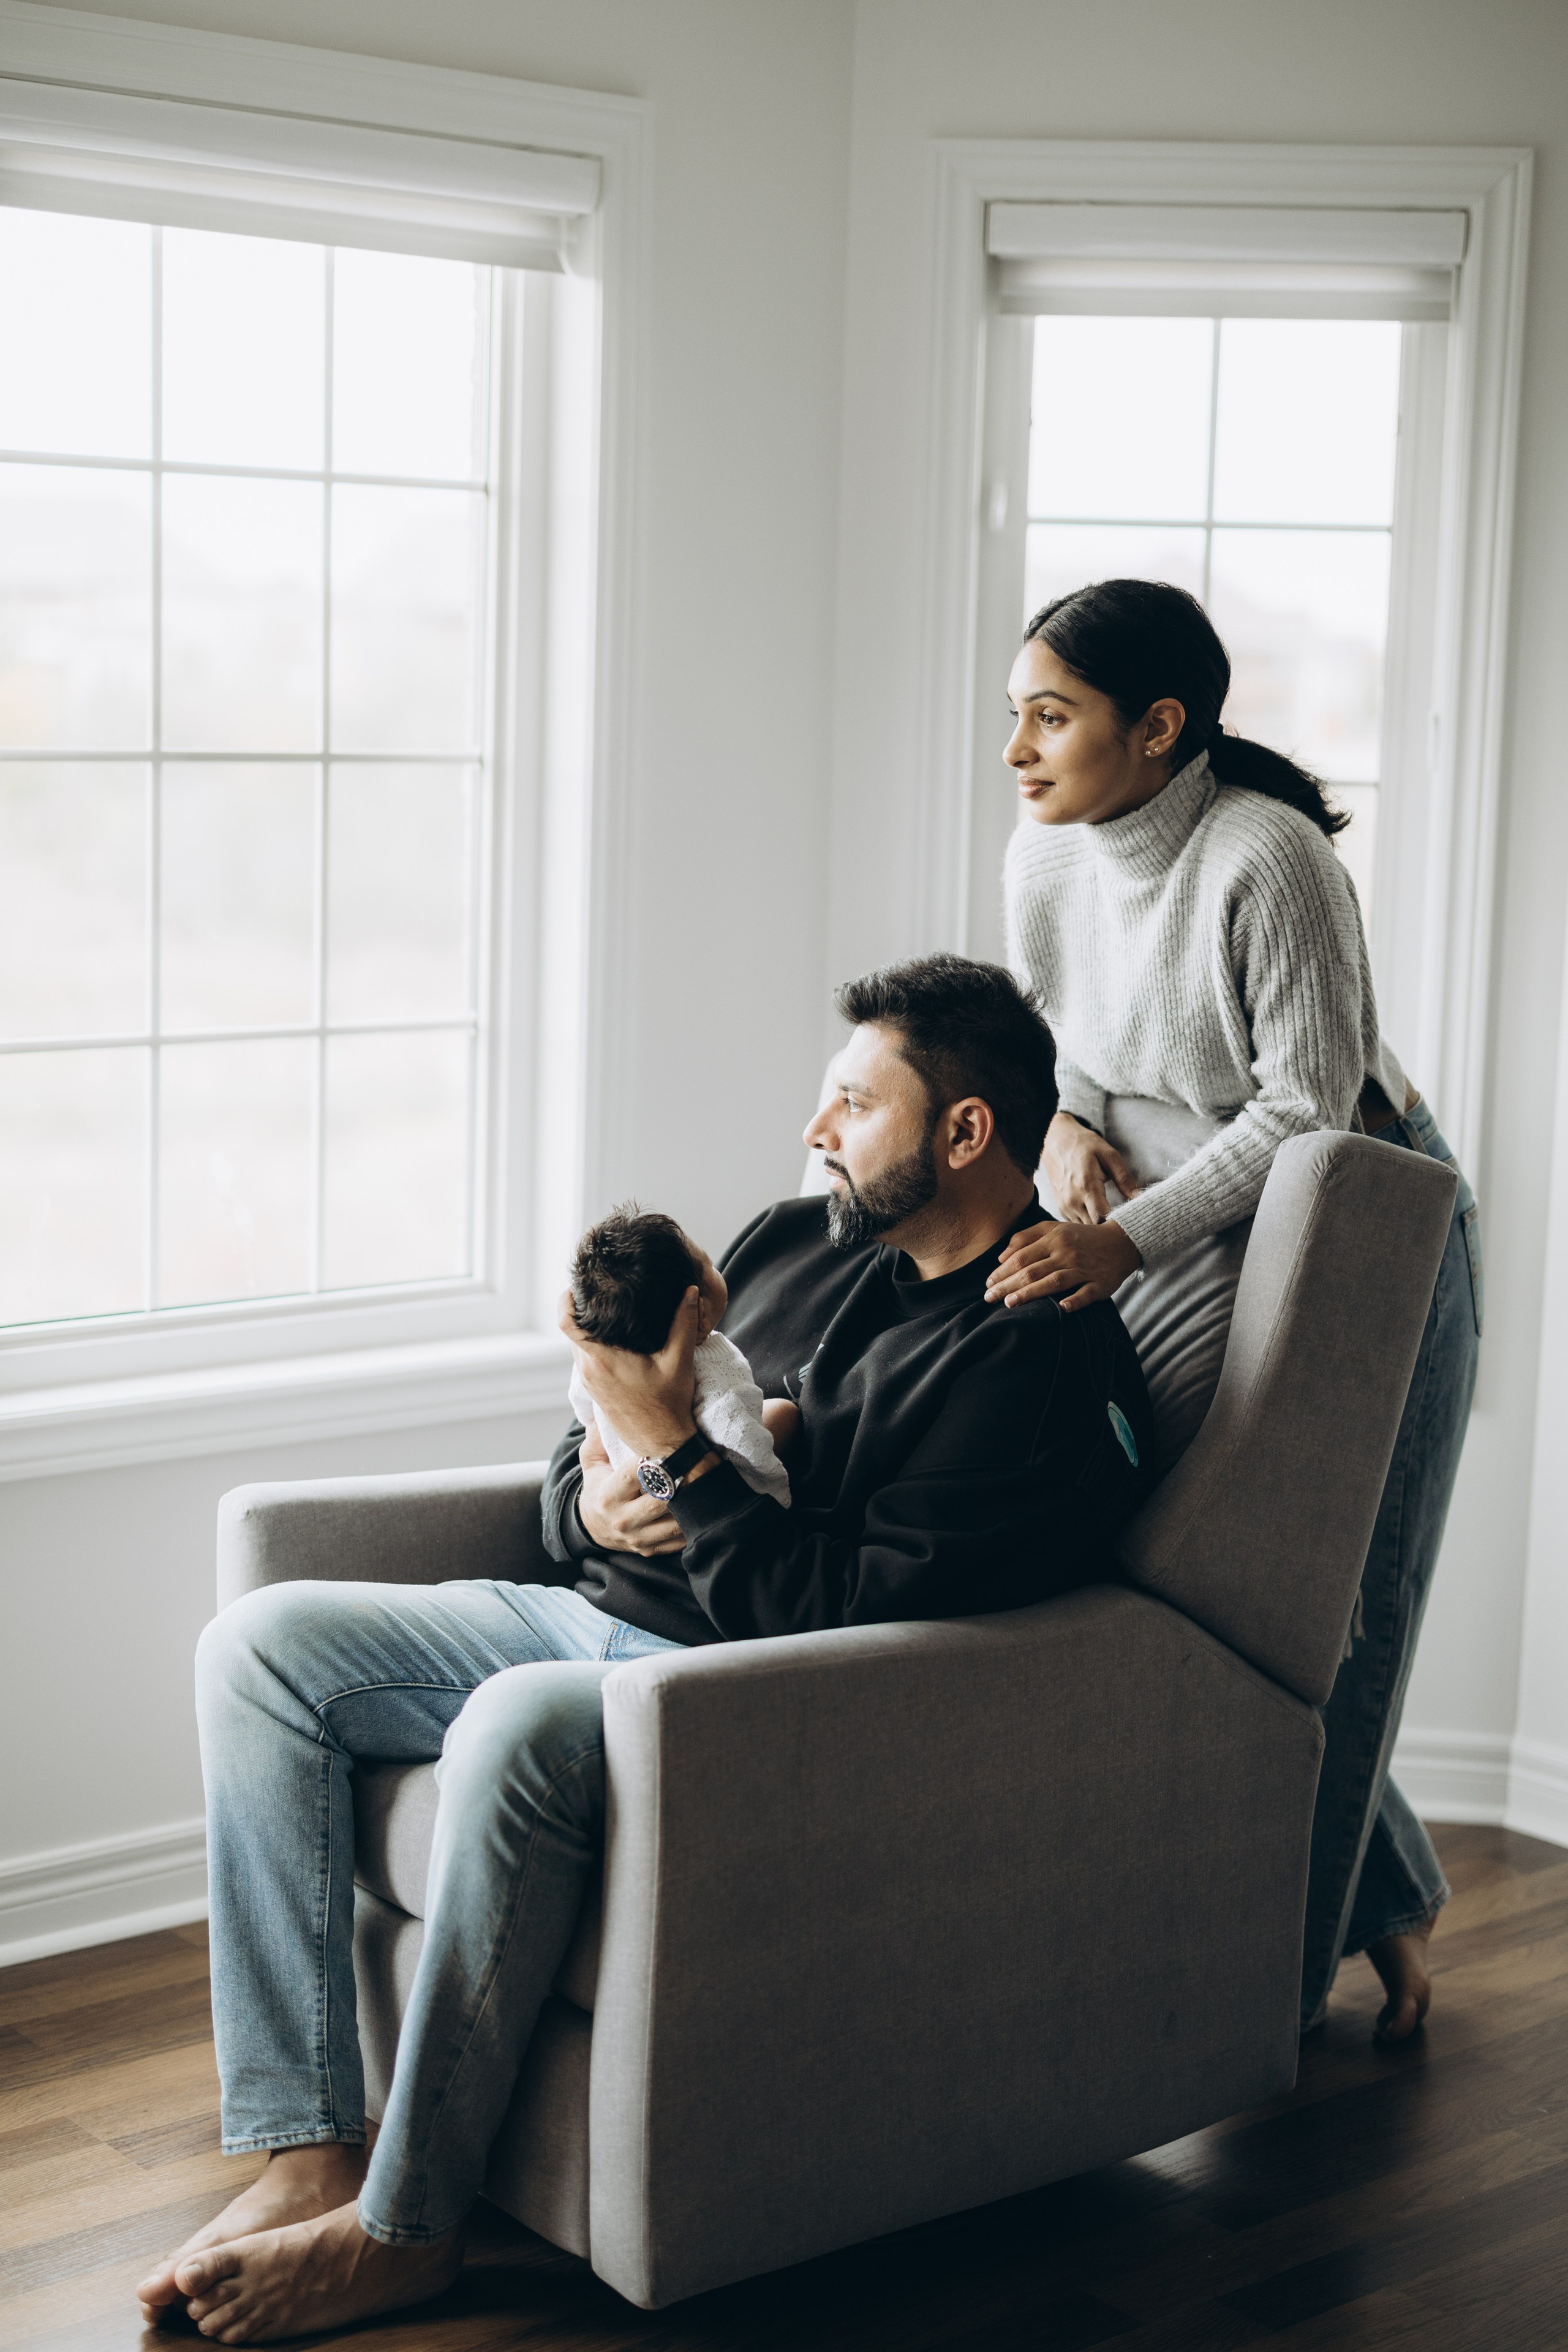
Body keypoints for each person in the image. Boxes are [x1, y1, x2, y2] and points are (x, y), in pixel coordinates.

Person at [138, 951, 1153, 2343]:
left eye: (852, 1104)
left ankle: (406, 2225)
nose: (814, 1132)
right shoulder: (802, 1243)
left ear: (964, 1132)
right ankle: (309, 2142)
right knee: (259, 1646)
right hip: (591, 1607)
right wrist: (590, 1487)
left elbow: (838, 1615)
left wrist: (678, 1455)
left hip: (727, 1692)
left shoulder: (1031, 1364)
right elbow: (601, 1410)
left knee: (507, 1724)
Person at [991, 578, 1482, 2046]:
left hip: (1363, 1231)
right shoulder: (1045, 850)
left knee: (1347, 1601)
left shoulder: (1264, 860)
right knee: (1181, 1575)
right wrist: (1064, 1125)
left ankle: (1268, 2000)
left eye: (1050, 715)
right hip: (1174, 1222)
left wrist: (1121, 1235)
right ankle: (1380, 1894)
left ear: (1158, 728)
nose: (1015, 748)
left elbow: (1309, 1113)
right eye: (1011, 711)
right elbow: (1057, 1047)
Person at [567, 1205, 796, 1506]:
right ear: (698, 1314)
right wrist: (775, 1494)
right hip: (702, 1509)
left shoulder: (606, 1363)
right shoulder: (718, 1376)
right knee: (783, 1413)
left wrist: (601, 1438)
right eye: (711, 1265)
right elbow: (740, 1441)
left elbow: (583, 1406)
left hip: (630, 1486)